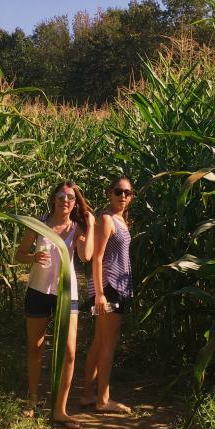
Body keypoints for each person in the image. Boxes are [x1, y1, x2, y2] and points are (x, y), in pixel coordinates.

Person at [15, 181, 94, 428]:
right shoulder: (38, 224)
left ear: (74, 203)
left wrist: (90, 225)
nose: (66, 200)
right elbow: (19, 255)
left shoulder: (77, 227)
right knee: (35, 348)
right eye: (61, 196)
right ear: (53, 199)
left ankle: (60, 409)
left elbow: (85, 256)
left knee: (69, 352)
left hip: (65, 294)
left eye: (71, 197)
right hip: (38, 291)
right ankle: (33, 400)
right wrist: (33, 257)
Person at [81, 176, 134, 414]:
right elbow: (98, 257)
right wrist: (100, 294)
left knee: (100, 340)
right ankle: (104, 399)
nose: (123, 196)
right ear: (109, 193)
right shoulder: (107, 219)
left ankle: (87, 395)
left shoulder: (122, 220)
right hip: (109, 288)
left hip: (114, 288)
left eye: (127, 192)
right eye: (118, 191)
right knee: (108, 343)